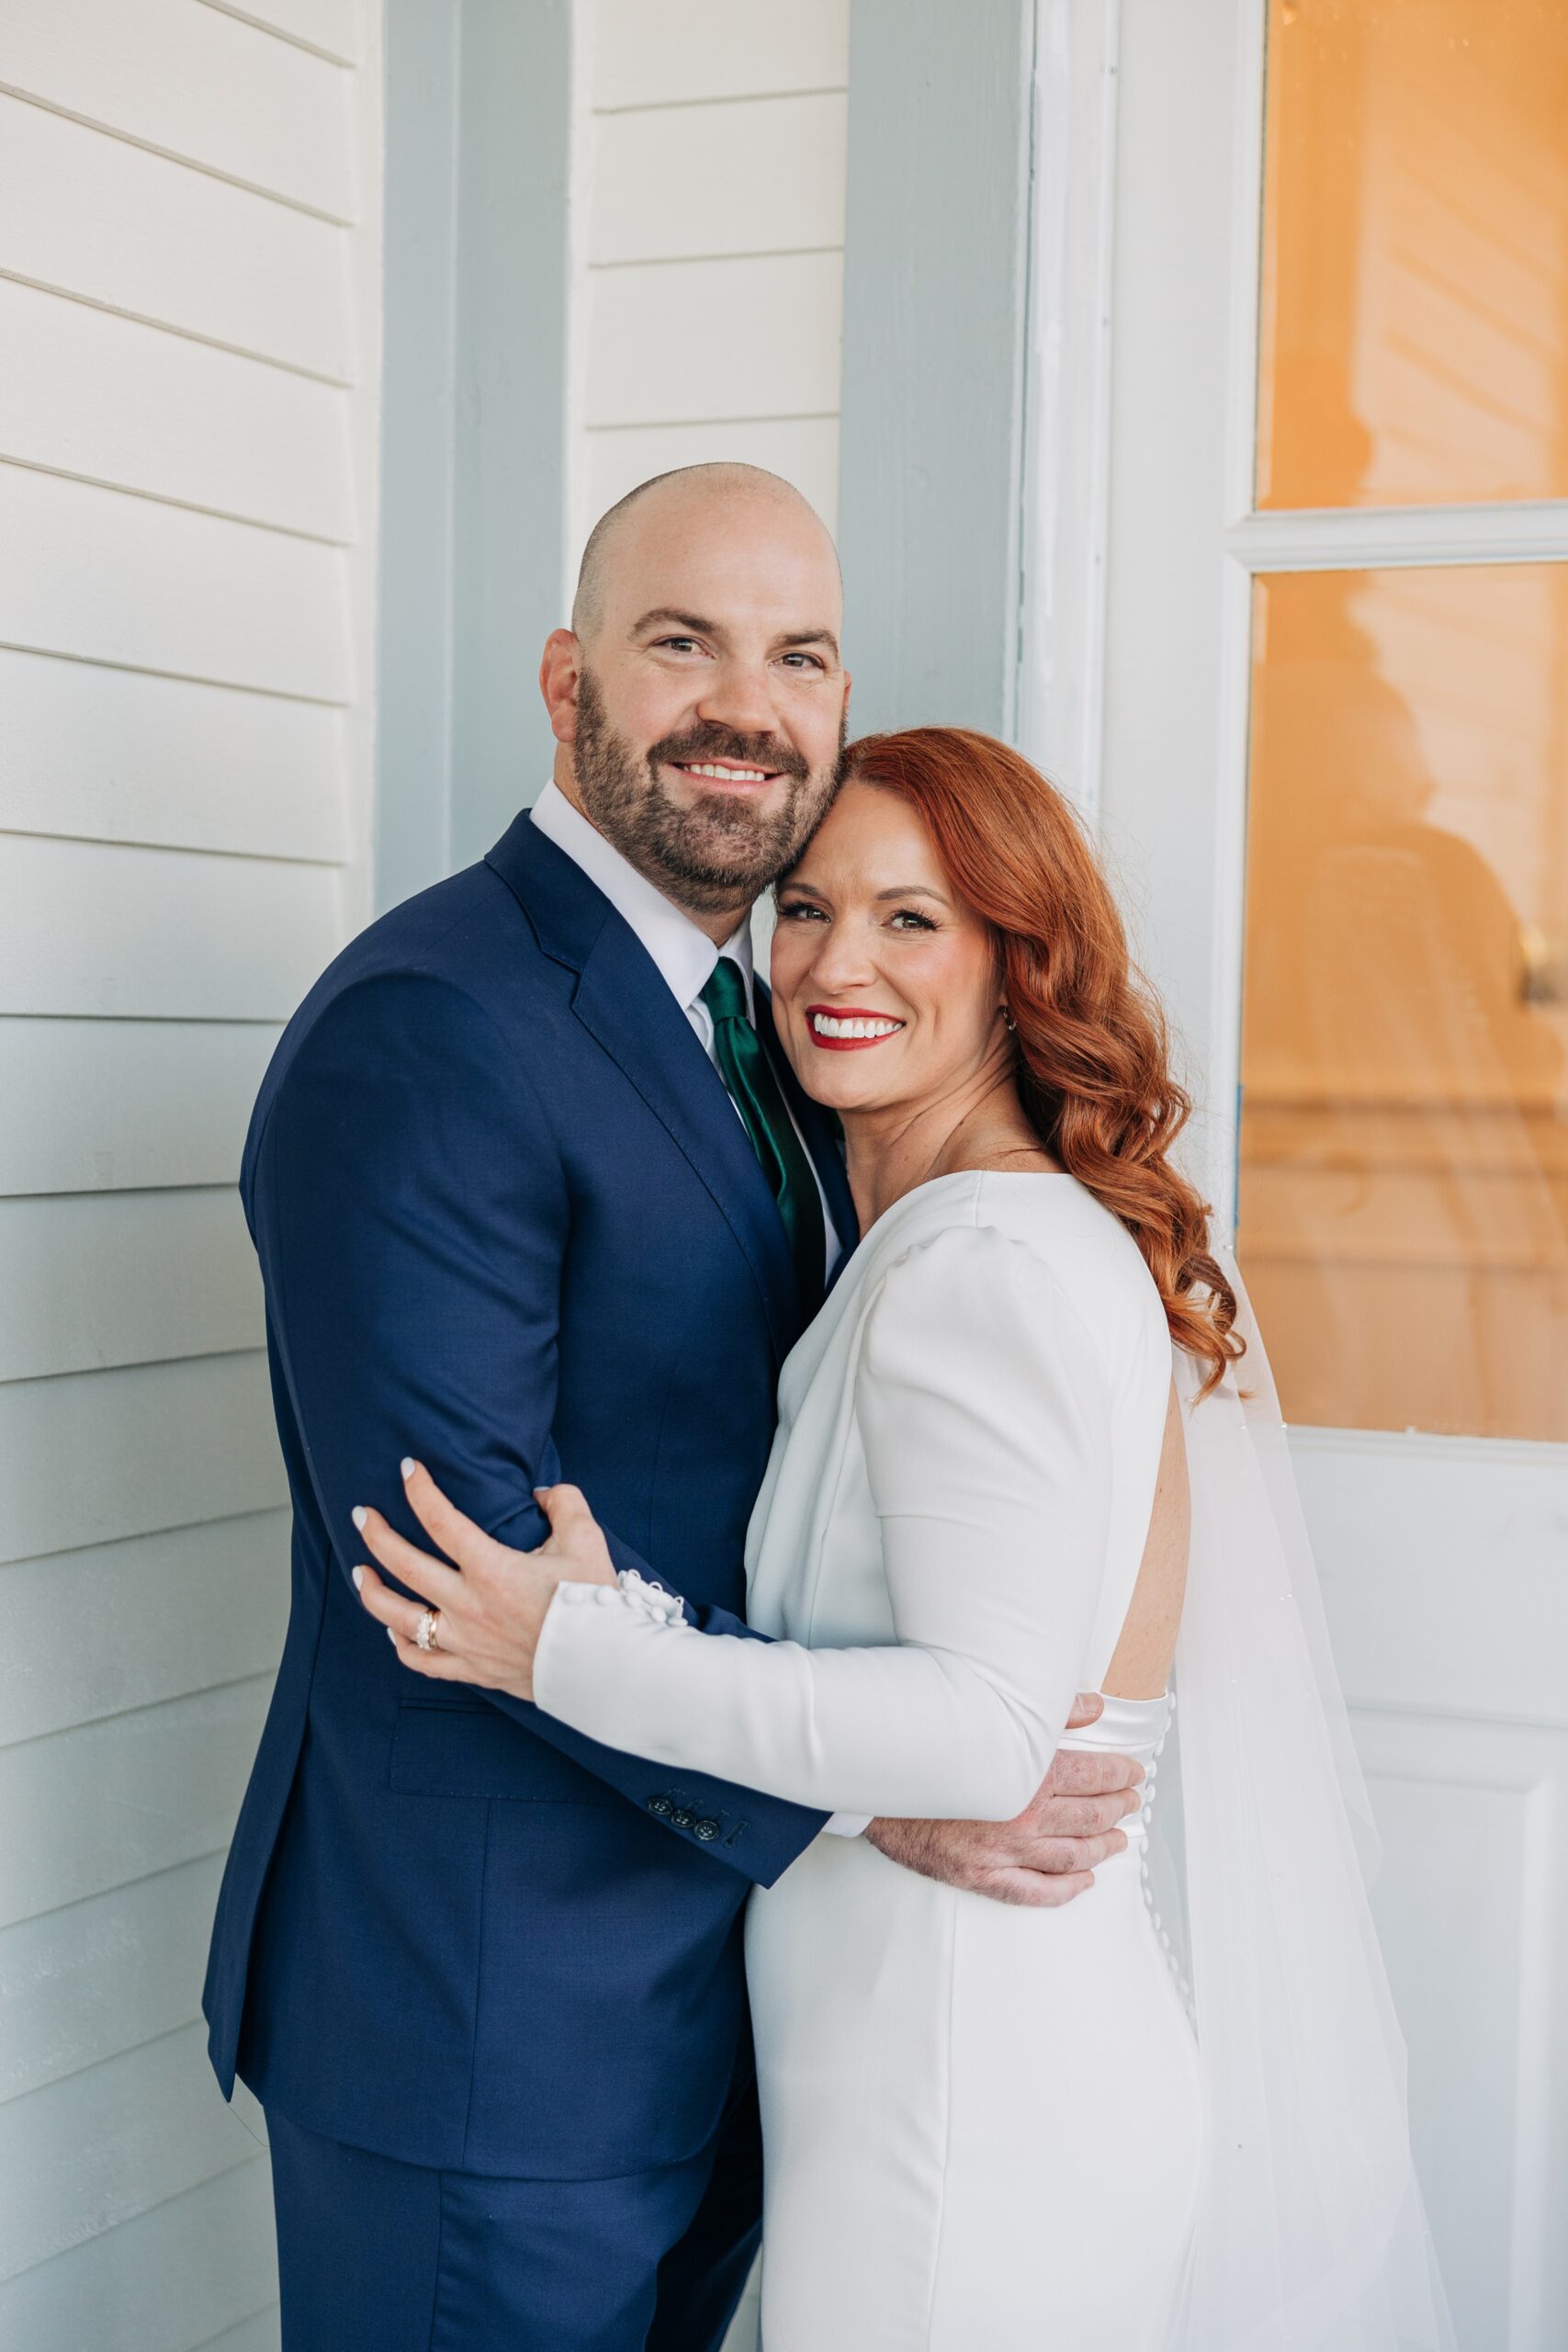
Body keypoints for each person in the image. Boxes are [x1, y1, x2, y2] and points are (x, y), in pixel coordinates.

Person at [355, 729, 1456, 2350]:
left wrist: (567, 1642)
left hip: (964, 2099)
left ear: (1024, 962)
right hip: (955, 2071)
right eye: (803, 910)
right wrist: (869, 1811)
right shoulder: (974, 1236)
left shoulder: (979, 1267)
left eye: (909, 919)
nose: (833, 962)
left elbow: (986, 1728)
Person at [202, 466, 1143, 2352]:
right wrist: (876, 1791)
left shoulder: (790, 1027)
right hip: (488, 2033)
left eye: (796, 654)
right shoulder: (434, 1024)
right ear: (566, 682)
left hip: (722, 2024)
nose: (747, 704)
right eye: (679, 642)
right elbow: (455, 1572)